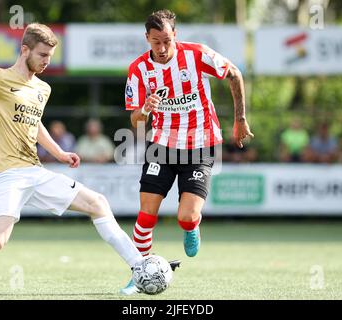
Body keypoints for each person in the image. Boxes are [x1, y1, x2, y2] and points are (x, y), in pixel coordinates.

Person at [0, 23, 145, 290]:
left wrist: (59, 152)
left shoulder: (42, 89)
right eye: (42, 55)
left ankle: (139, 269)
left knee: (97, 203)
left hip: (35, 171)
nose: (47, 61)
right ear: (24, 49)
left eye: (50, 56)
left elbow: (35, 123)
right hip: (7, 175)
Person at [122, 9, 254, 294]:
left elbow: (234, 74)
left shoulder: (197, 55)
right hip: (161, 145)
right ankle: (139, 270)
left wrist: (240, 118)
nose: (162, 47)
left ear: (175, 35)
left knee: (186, 217)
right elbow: (134, 119)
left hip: (200, 144)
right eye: (156, 41)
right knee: (146, 214)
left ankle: (192, 226)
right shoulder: (138, 70)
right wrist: (144, 109)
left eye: (167, 40)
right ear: (147, 39)